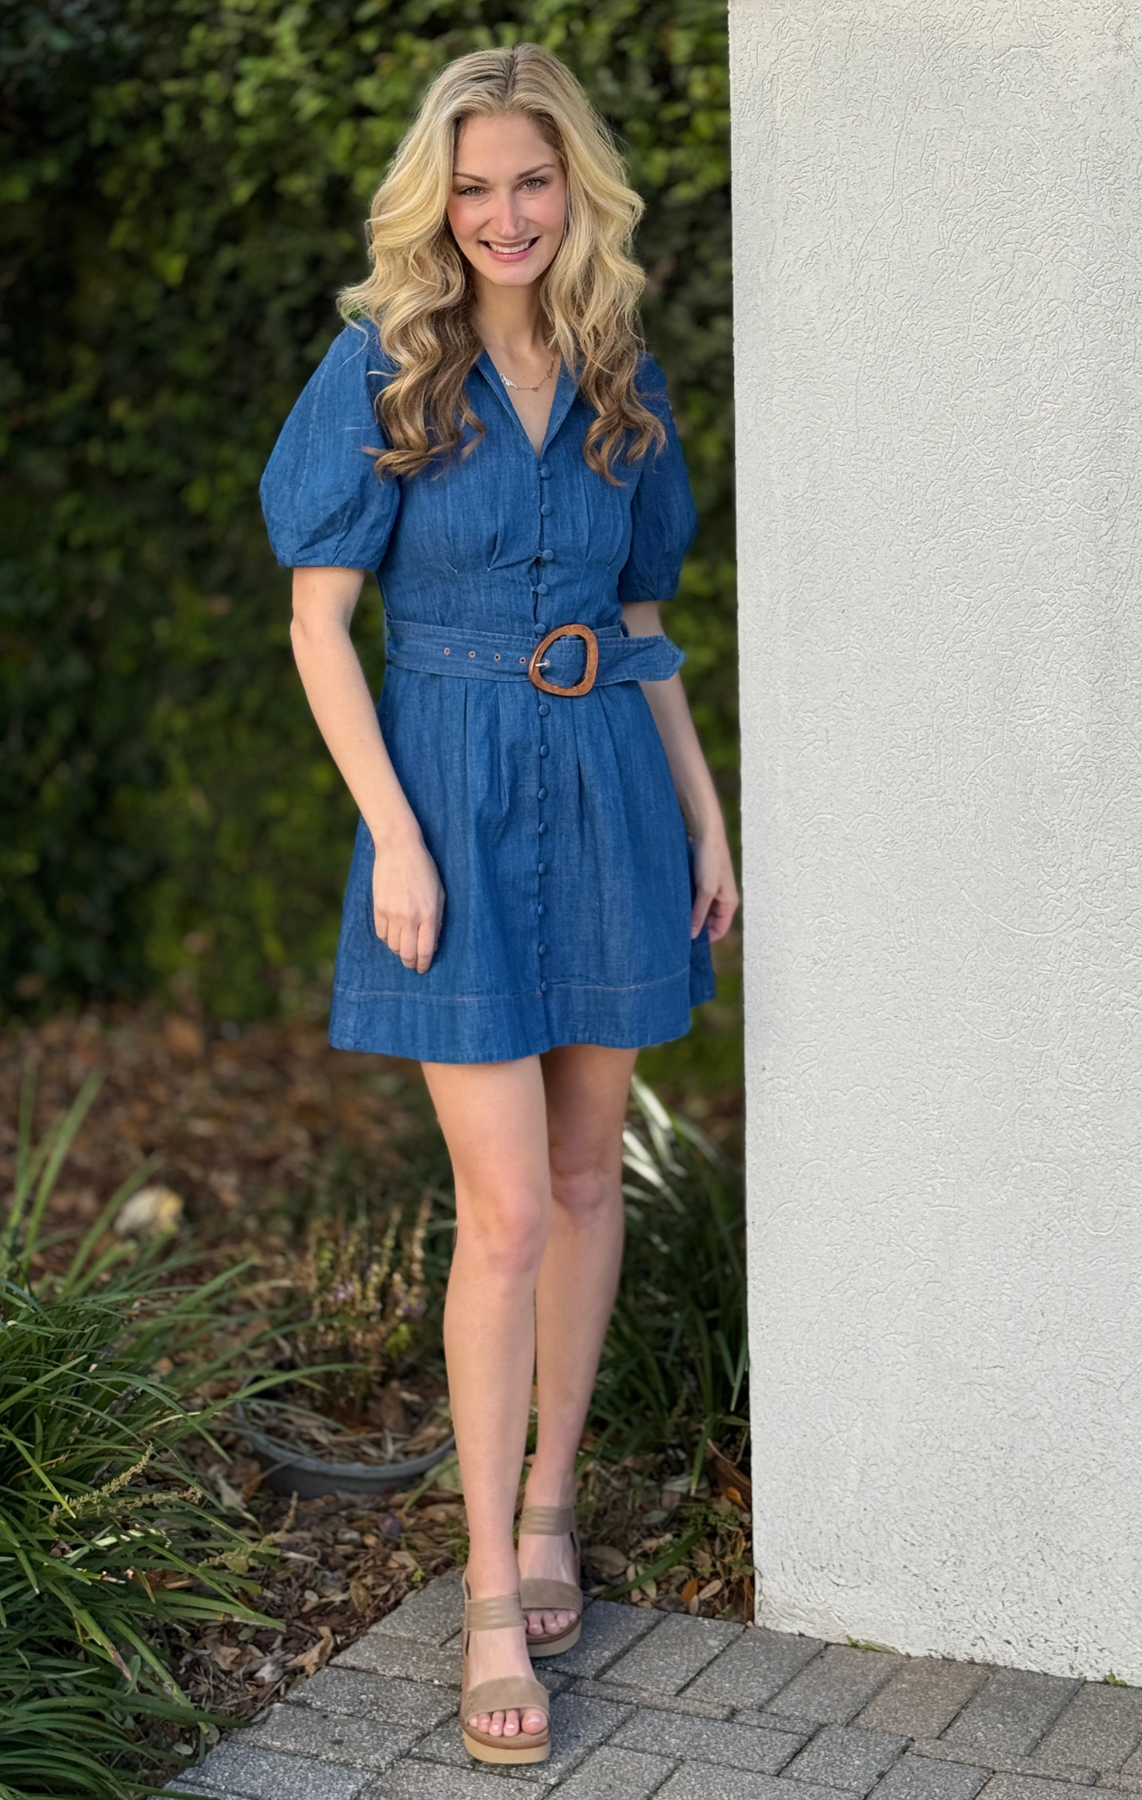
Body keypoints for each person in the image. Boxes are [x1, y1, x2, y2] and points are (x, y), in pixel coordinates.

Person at [259, 42, 738, 1768]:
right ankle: (480, 1588)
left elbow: (641, 621)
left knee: (590, 1168)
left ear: (577, 188)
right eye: (473, 187)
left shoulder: (627, 375)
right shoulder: (380, 369)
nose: (504, 215)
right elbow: (319, 630)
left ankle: (549, 1517)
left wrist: (704, 815)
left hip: (607, 781)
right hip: (447, 798)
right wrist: (393, 834)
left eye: (532, 181)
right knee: (507, 1212)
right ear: (435, 202)